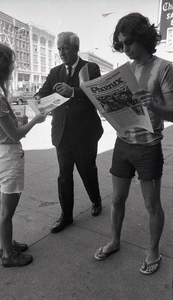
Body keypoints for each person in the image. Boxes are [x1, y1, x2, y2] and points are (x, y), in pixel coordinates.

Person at [94, 13, 173, 275]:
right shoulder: (125, 71)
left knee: (152, 204)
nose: (124, 49)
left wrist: (154, 105)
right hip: (122, 142)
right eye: (121, 44)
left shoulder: (164, 68)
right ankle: (115, 240)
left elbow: (172, 111)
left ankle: (153, 250)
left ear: (142, 37)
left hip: (148, 145)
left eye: (128, 43)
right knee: (117, 198)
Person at [0, 42, 46, 267]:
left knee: (0, 206)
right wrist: (36, 120)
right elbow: (14, 135)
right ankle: (8, 255)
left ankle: (6, 245)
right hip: (8, 158)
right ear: (5, 68)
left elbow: (4, 128)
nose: (14, 68)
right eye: (12, 64)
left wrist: (19, 121)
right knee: (6, 212)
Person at [34, 32, 103, 233]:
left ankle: (96, 201)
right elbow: (45, 90)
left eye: (65, 48)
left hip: (85, 134)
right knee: (64, 176)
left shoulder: (90, 68)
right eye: (59, 48)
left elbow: (96, 94)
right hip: (62, 133)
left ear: (75, 48)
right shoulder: (55, 71)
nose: (61, 52)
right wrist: (38, 96)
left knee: (87, 171)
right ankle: (66, 216)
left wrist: (72, 91)